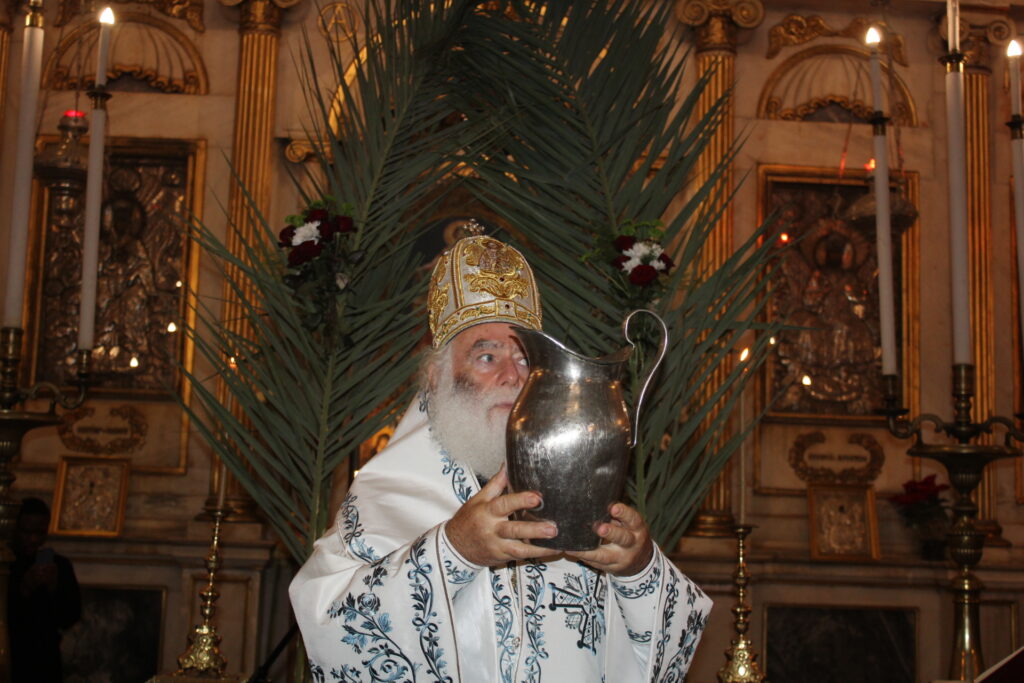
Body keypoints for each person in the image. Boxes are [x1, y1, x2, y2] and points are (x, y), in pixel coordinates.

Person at [290, 234, 712, 681]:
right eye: (487, 356)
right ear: (435, 377)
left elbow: (665, 647)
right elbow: (330, 632)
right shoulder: (388, 497)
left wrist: (639, 568)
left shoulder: (578, 485)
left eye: (525, 359)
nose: (512, 376)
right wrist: (454, 551)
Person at [8, 497, 82, 683]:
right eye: (26, 532)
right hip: (10, 656)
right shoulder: (5, 564)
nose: (33, 539)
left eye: (40, 533)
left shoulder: (59, 566)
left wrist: (53, 587)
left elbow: (70, 616)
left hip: (45, 659)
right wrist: (25, 588)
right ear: (15, 528)